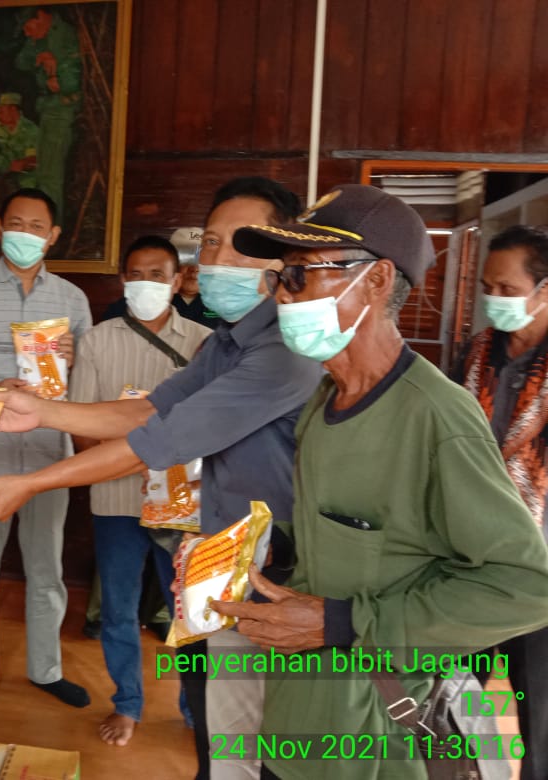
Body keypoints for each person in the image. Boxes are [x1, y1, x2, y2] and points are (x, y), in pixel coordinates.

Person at [0, 177, 316, 780]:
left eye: (241, 243)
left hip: (275, 564)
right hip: (219, 548)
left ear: (284, 255)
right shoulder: (227, 342)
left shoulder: (284, 347)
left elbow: (154, 443)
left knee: (261, 735)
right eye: (210, 242)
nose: (218, 259)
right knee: (220, 723)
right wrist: (42, 411)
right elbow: (149, 410)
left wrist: (31, 483)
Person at [217, 184, 548, 780]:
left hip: (377, 734)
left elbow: (526, 585)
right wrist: (248, 554)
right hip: (298, 721)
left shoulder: (436, 418)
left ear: (374, 280)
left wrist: (345, 624)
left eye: (300, 275)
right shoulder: (327, 399)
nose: (282, 294)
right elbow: (338, 538)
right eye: (279, 277)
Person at [0, 187, 93, 721]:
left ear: (53, 236)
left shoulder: (73, 300)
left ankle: (46, 670)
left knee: (47, 569)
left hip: (51, 455)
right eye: (16, 224)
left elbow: (87, 381)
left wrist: (75, 357)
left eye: (37, 227)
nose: (25, 234)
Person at [69, 235, 211, 747]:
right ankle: (127, 703)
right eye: (136, 274)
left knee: (189, 612)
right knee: (119, 608)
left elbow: (212, 427)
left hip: (181, 503)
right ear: (122, 280)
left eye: (158, 275)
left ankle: (196, 710)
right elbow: (81, 426)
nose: (146, 283)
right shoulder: (96, 340)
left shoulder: (204, 343)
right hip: (115, 500)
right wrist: (127, 460)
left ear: (177, 281)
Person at [450, 224, 548, 780]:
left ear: (545, 289)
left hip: (540, 571)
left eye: (507, 289)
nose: (494, 299)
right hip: (471, 561)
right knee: (454, 705)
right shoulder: (477, 353)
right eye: (488, 287)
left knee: (539, 718)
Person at [15, 7, 81, 221]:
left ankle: (52, 227)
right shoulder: (39, 38)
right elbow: (21, 62)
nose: (27, 33)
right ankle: (45, 224)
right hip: (48, 108)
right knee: (42, 173)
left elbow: (70, 83)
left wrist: (56, 69)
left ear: (41, 17)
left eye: (28, 27)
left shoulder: (66, 35)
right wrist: (41, 54)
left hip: (62, 110)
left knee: (51, 176)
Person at [101, 227, 223, 329]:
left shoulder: (222, 306)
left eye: (202, 260)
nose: (194, 268)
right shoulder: (131, 305)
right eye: (186, 259)